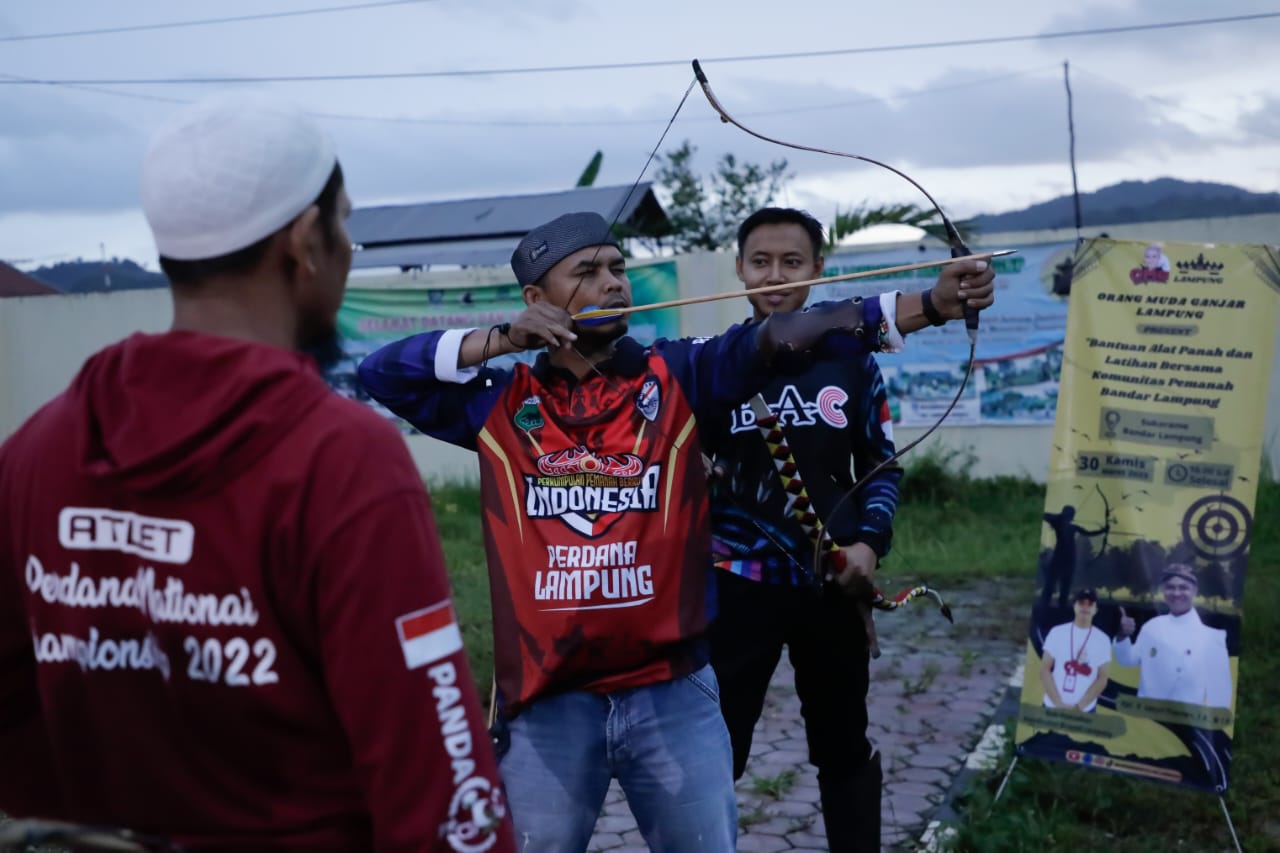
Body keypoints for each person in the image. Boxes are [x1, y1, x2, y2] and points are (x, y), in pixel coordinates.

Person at [356, 210, 996, 852]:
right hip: (550, 695)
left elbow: (790, 336)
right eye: (586, 273)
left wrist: (933, 304)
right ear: (536, 300)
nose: (612, 284)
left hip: (671, 688)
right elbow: (382, 372)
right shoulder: (500, 401)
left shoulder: (680, 374)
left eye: (617, 270)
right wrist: (498, 339)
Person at [0, 93, 514, 852]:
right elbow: (444, 800)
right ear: (304, 240)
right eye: (344, 223)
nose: (346, 248)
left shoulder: (38, 448)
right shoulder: (343, 461)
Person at [703, 207, 902, 851]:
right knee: (716, 745)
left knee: (842, 739)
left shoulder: (850, 361)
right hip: (735, 583)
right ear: (738, 270)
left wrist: (870, 544)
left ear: (818, 269)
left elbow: (881, 464)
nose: (775, 275)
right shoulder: (716, 367)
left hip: (831, 581)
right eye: (760, 261)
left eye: (792, 261)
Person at [1113, 563, 1233, 708]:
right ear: (1163, 590)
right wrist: (1122, 636)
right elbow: (1127, 660)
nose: (1176, 593)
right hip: (1147, 720)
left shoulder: (1213, 638)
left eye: (1183, 587)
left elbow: (1220, 696)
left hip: (1186, 725)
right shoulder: (1152, 627)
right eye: (1170, 587)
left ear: (1194, 591)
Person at [1040, 588, 1112, 713]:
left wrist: (1079, 707)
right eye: (1081, 603)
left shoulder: (1103, 640)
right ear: (1074, 606)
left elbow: (1102, 678)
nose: (1085, 607)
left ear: (1096, 609)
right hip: (1052, 707)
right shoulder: (1057, 632)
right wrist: (1058, 704)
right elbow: (1044, 669)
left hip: (1084, 711)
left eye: (1090, 604)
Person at [1039, 503, 1109, 609]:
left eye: (1072, 514)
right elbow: (1045, 515)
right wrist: (1060, 517)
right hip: (1059, 557)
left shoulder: (1072, 527)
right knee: (1051, 582)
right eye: (1069, 514)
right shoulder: (1058, 523)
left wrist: (1103, 530)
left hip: (1069, 558)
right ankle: (1044, 604)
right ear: (1064, 514)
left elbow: (1088, 533)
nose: (1071, 517)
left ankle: (1062, 605)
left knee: (1065, 584)